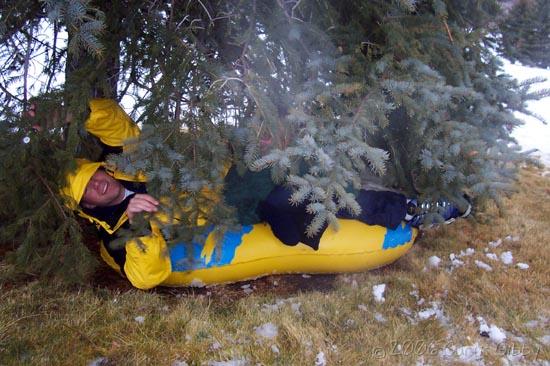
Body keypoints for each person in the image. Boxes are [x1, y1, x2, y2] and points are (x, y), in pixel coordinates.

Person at [63, 99, 471, 289]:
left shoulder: (128, 164)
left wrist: (81, 111)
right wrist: (137, 221)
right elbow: (145, 275)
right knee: (286, 193)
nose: (97, 184)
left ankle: (395, 206)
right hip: (228, 209)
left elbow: (119, 127)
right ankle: (408, 209)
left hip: (232, 178)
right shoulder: (116, 231)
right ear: (87, 208)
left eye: (93, 176)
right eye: (88, 193)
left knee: (290, 177)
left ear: (100, 168)